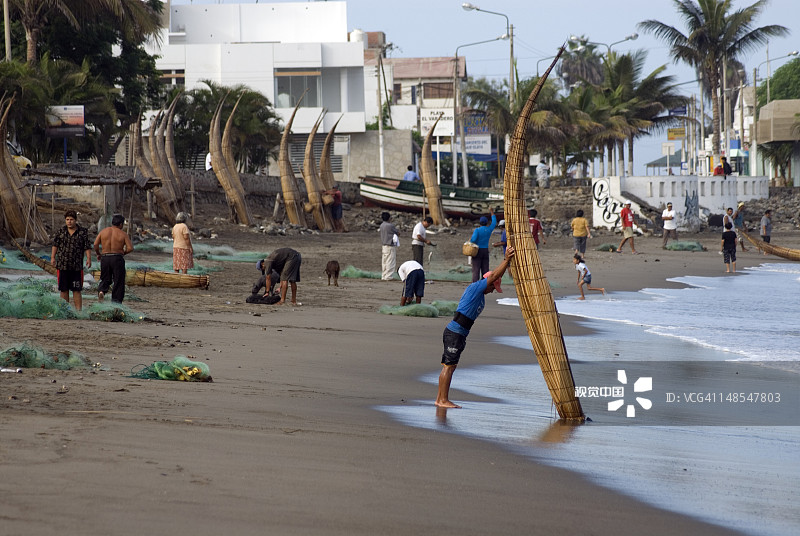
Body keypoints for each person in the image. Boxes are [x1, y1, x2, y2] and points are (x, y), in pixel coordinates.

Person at [436, 246, 515, 408]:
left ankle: (440, 398)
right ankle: (442, 400)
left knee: (450, 366)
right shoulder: (476, 288)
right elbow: (493, 275)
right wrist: (506, 260)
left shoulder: (481, 298)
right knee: (449, 366)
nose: (493, 290)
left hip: (460, 334)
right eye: (493, 287)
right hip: (454, 332)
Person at [51, 210, 92, 311]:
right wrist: (52, 257)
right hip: (62, 265)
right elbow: (55, 245)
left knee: (76, 290)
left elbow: (87, 246)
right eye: (67, 219)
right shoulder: (61, 231)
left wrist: (89, 258)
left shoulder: (83, 232)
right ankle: (65, 310)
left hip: (76, 266)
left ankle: (78, 311)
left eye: (71, 219)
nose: (69, 222)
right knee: (63, 289)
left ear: (75, 220)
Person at [93, 214, 133, 303]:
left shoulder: (103, 231)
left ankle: (102, 291)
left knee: (105, 278)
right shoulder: (123, 234)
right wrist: (123, 253)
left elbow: (95, 244)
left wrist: (98, 254)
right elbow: (130, 248)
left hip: (105, 257)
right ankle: (116, 301)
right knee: (118, 281)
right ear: (121, 224)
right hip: (117, 258)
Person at [469, 208, 497, 282]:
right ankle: (484, 284)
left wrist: (470, 240)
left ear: (480, 223)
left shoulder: (477, 230)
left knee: (476, 269)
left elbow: (473, 240)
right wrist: (492, 212)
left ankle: (475, 284)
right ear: (487, 223)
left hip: (477, 250)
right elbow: (494, 222)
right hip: (485, 250)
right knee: (485, 269)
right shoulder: (489, 230)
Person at [379, 212, 400, 280]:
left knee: (384, 261)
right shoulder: (390, 226)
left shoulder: (382, 225)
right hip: (390, 245)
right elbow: (398, 233)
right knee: (390, 261)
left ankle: (384, 275)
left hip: (384, 245)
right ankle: (388, 276)